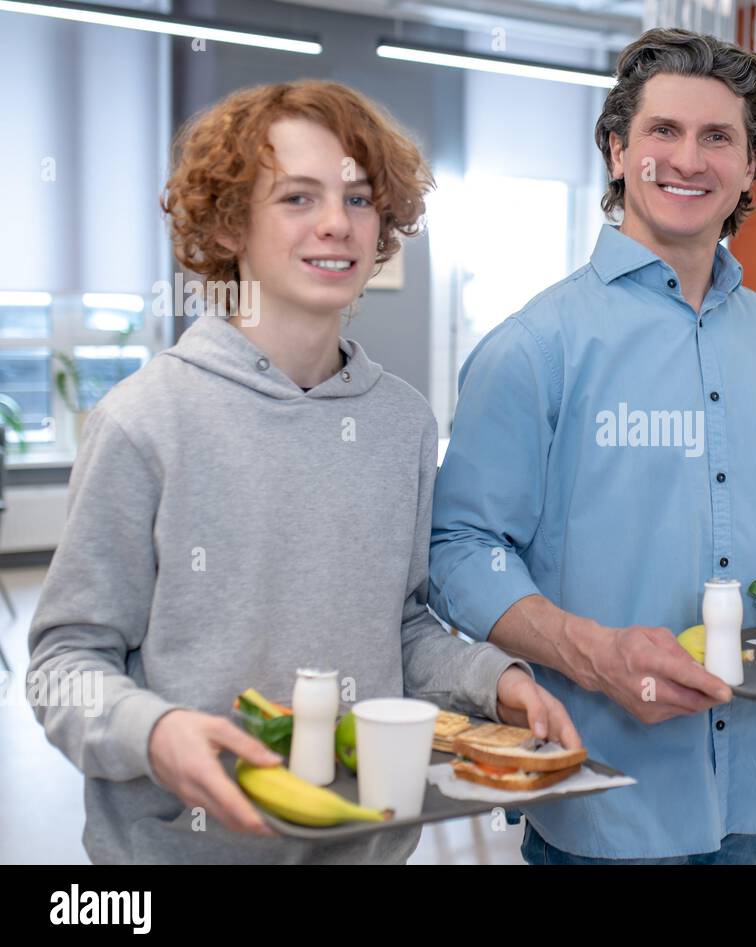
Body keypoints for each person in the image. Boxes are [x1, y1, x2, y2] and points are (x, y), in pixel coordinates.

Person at [28, 80, 577, 864]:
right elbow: (62, 665)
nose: (336, 224)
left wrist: (496, 680)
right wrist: (154, 731)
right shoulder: (146, 420)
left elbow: (401, 625)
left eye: (359, 199)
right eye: (297, 197)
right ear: (227, 224)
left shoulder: (402, 424)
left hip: (365, 845)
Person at [428, 28, 756, 864]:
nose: (687, 159)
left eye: (717, 138)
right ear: (617, 149)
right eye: (663, 131)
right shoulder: (536, 344)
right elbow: (461, 549)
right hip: (608, 797)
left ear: (749, 166)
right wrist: (595, 658)